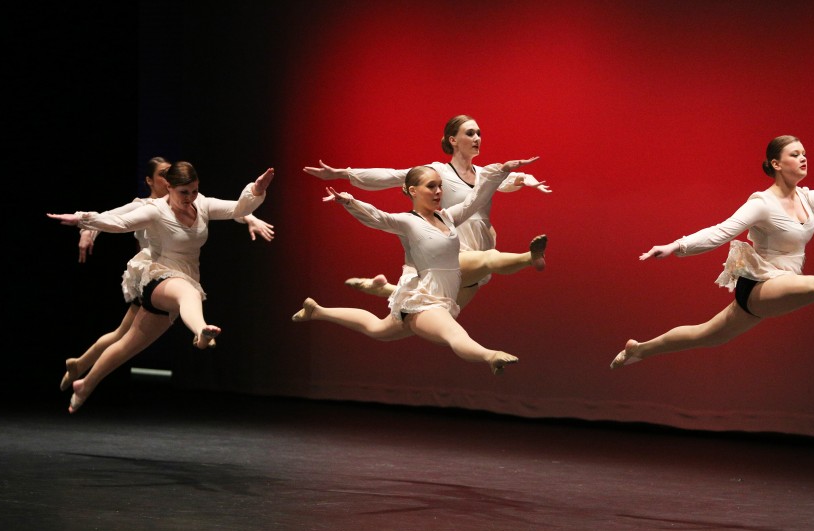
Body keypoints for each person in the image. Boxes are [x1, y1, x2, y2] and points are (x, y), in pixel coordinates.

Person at [611, 135, 814, 369]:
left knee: (708, 336)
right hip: (759, 283)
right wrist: (676, 246)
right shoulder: (762, 204)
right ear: (776, 163)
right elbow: (721, 231)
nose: (803, 158)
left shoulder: (807, 198)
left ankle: (640, 351)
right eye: (795, 154)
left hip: (780, 283)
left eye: (805, 153)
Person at [48, 162, 275, 412]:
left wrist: (255, 189)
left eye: (194, 191)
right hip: (157, 276)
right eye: (184, 193)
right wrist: (82, 220)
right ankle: (201, 332)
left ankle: (85, 384)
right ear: (168, 186)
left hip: (184, 277)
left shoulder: (203, 205)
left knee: (127, 344)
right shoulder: (154, 210)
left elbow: (237, 208)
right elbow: (119, 222)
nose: (190, 198)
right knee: (187, 292)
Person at [292, 157, 539, 375]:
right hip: (425, 302)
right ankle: (490, 355)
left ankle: (318, 311)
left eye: (440, 186)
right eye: (431, 186)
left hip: (438, 297)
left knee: (377, 328)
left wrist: (501, 171)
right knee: (454, 334)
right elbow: (378, 217)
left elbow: (475, 200)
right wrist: (349, 201)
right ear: (413, 190)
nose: (438, 191)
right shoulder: (408, 222)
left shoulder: (448, 217)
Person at [304, 114, 550, 311]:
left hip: (480, 242)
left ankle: (384, 290)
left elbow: (507, 180)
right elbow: (393, 175)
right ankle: (530, 257)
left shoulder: (485, 174)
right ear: (452, 140)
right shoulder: (437, 171)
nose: (477, 138)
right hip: (453, 243)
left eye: (479, 133)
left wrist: (527, 180)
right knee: (490, 261)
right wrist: (343, 173)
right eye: (470, 133)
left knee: (439, 308)